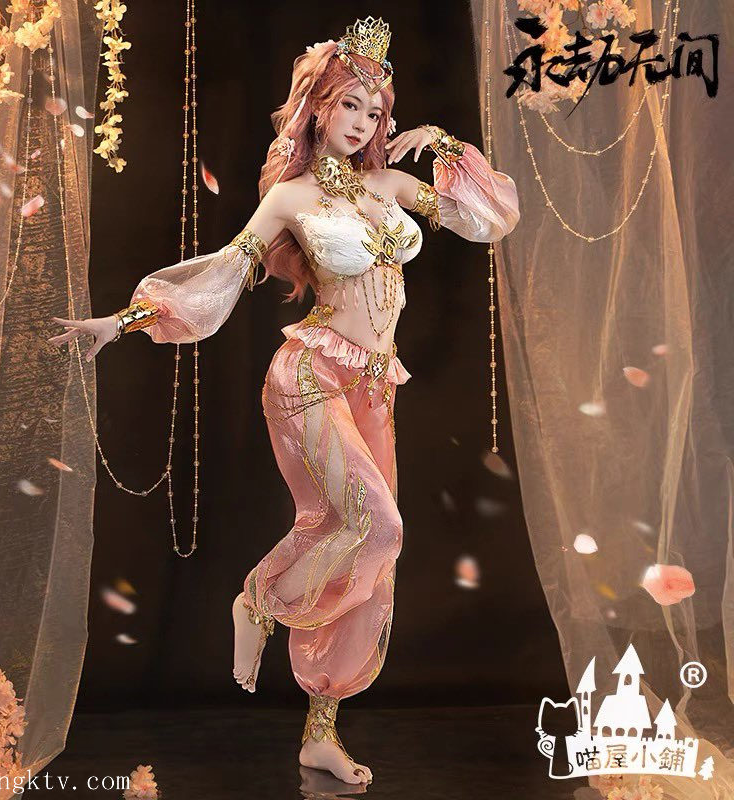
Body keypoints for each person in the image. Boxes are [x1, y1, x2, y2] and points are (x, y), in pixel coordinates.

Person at [48, 16, 520, 785]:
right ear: (319, 108)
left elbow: (490, 220)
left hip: (374, 386)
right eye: (349, 105)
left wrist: (439, 142)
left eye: (375, 110)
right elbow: (221, 276)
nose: (362, 122)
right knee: (378, 526)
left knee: (360, 548)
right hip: (308, 377)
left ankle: (320, 731)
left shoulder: (394, 186)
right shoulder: (292, 198)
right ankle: (259, 602)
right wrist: (122, 322)